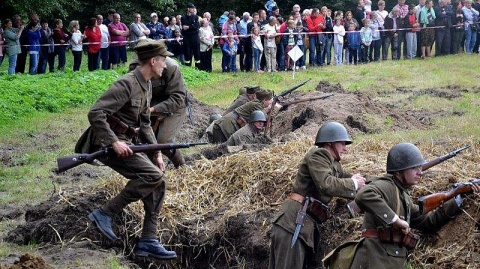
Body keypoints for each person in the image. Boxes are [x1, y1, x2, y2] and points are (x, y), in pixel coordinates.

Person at [85, 39, 177, 259]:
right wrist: (113, 142)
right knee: (151, 176)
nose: (165, 65)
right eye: (163, 61)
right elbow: (96, 113)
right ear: (153, 60)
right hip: (108, 143)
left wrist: (156, 153)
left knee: (158, 180)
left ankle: (148, 240)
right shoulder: (127, 83)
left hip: (128, 141)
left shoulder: (146, 84)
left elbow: (145, 123)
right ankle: (105, 213)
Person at [347, 143, 480, 268]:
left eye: (419, 167)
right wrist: (395, 220)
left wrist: (457, 197)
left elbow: (428, 222)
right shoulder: (386, 185)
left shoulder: (403, 196)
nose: (420, 172)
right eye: (414, 168)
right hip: (373, 261)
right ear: (398, 171)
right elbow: (364, 194)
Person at [269, 121, 366, 269]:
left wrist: (380, 182)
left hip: (301, 223)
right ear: (330, 143)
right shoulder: (319, 154)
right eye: (342, 144)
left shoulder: (333, 164)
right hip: (293, 222)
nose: (345, 149)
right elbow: (326, 184)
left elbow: (351, 178)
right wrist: (353, 183)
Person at [128, 40, 188, 168]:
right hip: (149, 104)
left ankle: (182, 167)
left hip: (174, 106)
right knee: (145, 142)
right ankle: (153, 172)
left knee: (163, 142)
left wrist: (154, 110)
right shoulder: (135, 68)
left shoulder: (171, 67)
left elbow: (178, 98)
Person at [181, 3, 201, 68]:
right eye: (192, 8)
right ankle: (188, 68)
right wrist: (192, 26)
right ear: (188, 9)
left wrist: (189, 27)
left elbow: (197, 26)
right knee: (187, 54)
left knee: (197, 53)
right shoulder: (183, 18)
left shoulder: (195, 17)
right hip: (187, 38)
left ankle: (198, 68)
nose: (193, 9)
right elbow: (184, 27)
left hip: (195, 38)